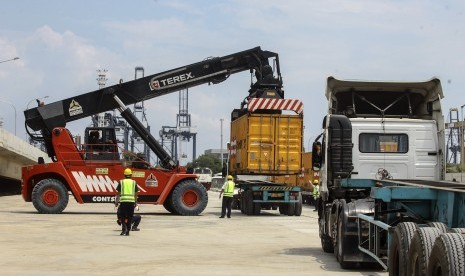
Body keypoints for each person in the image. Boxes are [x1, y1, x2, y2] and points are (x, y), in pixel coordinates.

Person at [115, 168, 138, 236]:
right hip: (131, 202)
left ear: (124, 175)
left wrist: (116, 202)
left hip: (123, 202)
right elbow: (136, 194)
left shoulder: (121, 182)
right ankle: (128, 231)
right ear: (131, 175)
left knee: (122, 216)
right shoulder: (134, 182)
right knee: (130, 217)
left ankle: (124, 228)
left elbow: (118, 193)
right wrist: (136, 202)